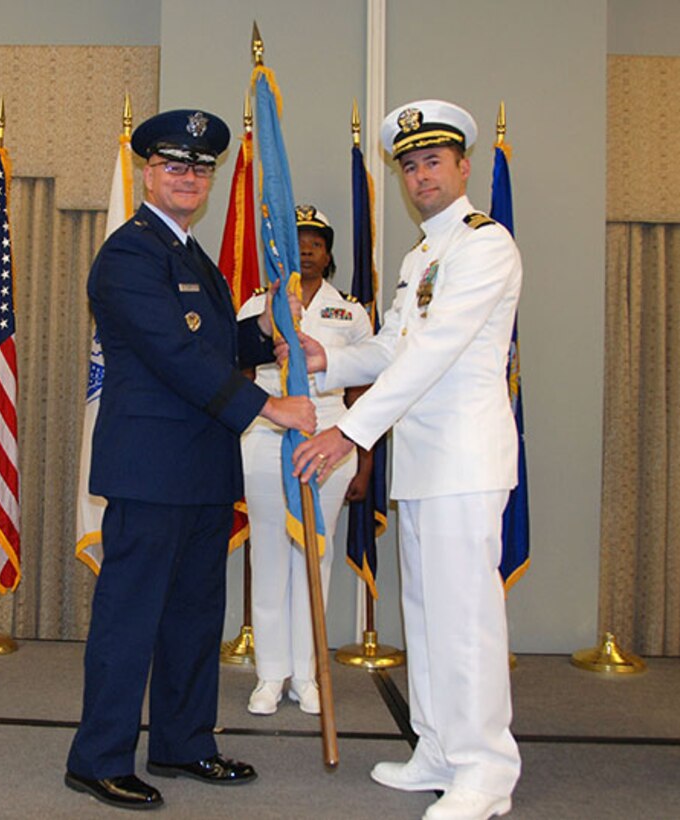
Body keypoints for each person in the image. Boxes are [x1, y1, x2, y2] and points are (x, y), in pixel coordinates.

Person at [64, 109, 316, 811]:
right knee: (130, 617)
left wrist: (265, 334)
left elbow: (208, 346)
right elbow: (173, 358)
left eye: (201, 168)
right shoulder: (127, 255)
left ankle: (182, 742)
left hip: (202, 467)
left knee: (193, 618)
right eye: (175, 165)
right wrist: (270, 407)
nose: (189, 178)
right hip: (149, 470)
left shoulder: (188, 253)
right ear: (147, 171)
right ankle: (99, 758)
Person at [288, 100, 523, 820]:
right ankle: (438, 748)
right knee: (424, 615)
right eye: (409, 165)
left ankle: (484, 770)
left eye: (432, 161)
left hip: (463, 460)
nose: (420, 174)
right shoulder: (421, 255)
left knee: (465, 619)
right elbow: (391, 346)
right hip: (424, 462)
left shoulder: (484, 246)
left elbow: (431, 354)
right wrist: (328, 359)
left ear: (461, 167)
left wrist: (349, 434)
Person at [238, 206, 373, 717]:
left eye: (317, 240)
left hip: (331, 439)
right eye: (299, 241)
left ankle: (308, 674)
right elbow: (241, 374)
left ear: (329, 251)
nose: (309, 249)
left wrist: (364, 461)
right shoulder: (257, 305)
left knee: (315, 553)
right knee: (269, 554)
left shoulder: (351, 312)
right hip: (268, 434)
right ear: (284, 252)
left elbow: (364, 388)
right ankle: (271, 675)